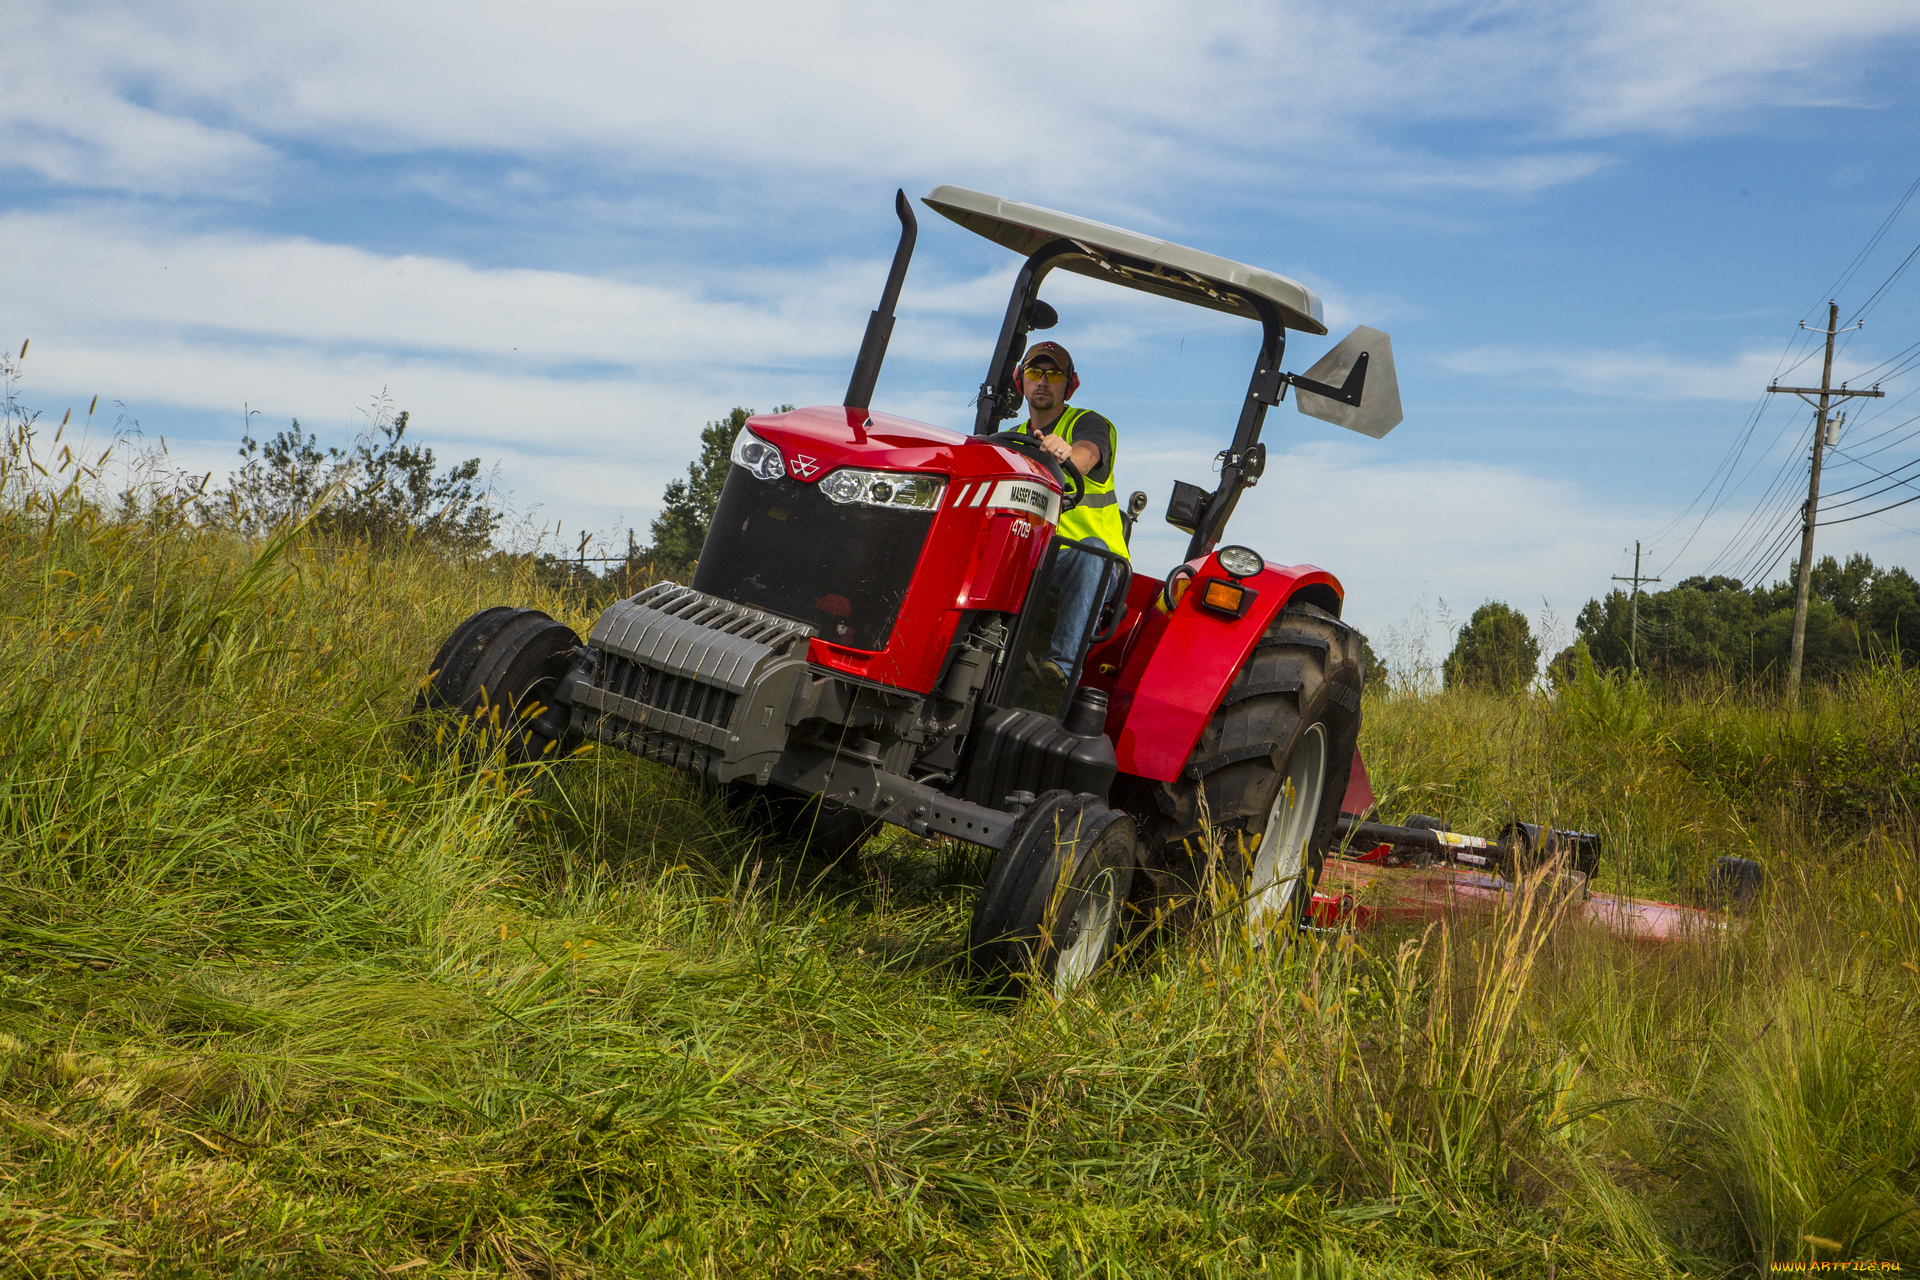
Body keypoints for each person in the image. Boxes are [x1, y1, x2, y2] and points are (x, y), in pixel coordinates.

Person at [1007, 340, 1129, 691]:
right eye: (1034, 372)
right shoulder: (1010, 439)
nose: (1043, 380)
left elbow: (1087, 456)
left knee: (1092, 550)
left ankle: (1059, 674)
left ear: (1068, 384)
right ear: (1021, 381)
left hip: (1090, 564)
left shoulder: (1089, 425)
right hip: (1032, 558)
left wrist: (1066, 455)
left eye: (1054, 374)